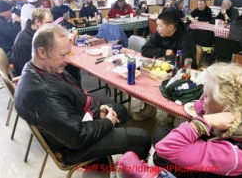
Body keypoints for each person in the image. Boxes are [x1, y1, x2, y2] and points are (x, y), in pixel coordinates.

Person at [14, 24, 151, 166]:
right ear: (42, 52)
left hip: (76, 122)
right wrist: (107, 122)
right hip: (72, 147)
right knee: (142, 139)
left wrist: (98, 107)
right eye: (62, 55)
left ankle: (98, 161)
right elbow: (77, 137)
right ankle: (128, 170)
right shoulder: (44, 93)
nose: (68, 59)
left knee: (120, 111)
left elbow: (76, 95)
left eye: (68, 53)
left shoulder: (43, 69)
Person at [153, 62, 242, 178]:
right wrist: (207, 104)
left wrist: (205, 121)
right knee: (161, 134)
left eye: (206, 96)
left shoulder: (234, 155)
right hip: (218, 162)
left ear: (225, 104)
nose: (200, 99)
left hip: (211, 170)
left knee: (161, 154)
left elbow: (167, 147)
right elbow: (199, 105)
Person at [135, 11, 197, 122]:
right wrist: (165, 52)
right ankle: (149, 108)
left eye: (160, 25)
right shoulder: (160, 34)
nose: (157, 28)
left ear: (170, 27)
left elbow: (185, 63)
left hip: (185, 75)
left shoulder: (186, 38)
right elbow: (144, 50)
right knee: (146, 78)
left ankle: (173, 112)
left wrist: (164, 59)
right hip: (165, 70)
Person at [12, 8, 53, 76]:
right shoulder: (24, 41)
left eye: (52, 22)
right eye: (48, 23)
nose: (52, 26)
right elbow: (28, 70)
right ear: (37, 22)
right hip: (31, 79)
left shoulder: (36, 33)